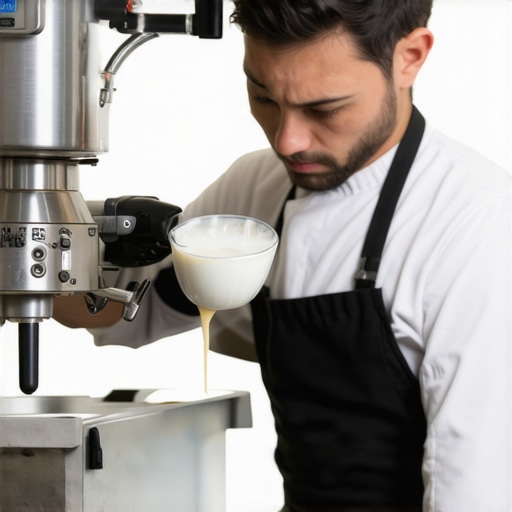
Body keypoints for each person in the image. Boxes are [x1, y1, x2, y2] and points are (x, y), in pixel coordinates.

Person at [55, 1, 512, 511]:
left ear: (410, 57)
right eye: (263, 96)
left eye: (324, 108)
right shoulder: (257, 189)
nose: (287, 141)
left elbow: (472, 489)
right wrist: (33, 239)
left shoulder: (479, 226)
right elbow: (119, 309)